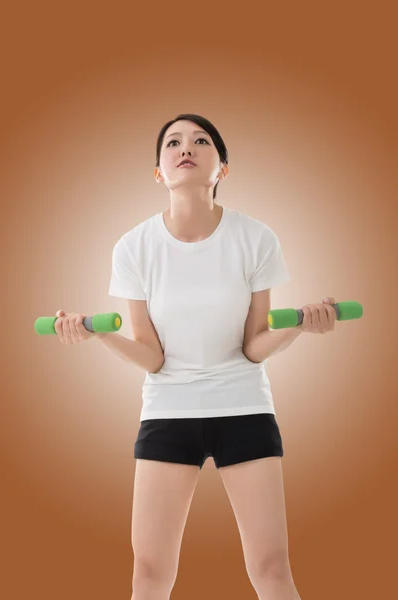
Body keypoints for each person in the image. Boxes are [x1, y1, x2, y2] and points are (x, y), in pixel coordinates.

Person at [55, 113, 336, 600]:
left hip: (244, 408)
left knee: (271, 567)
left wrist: (298, 326)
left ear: (222, 167)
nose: (187, 147)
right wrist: (95, 335)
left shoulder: (256, 238)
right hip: (168, 413)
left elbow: (253, 346)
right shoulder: (134, 247)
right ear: (159, 171)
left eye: (201, 141)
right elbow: (151, 357)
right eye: (174, 142)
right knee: (149, 571)